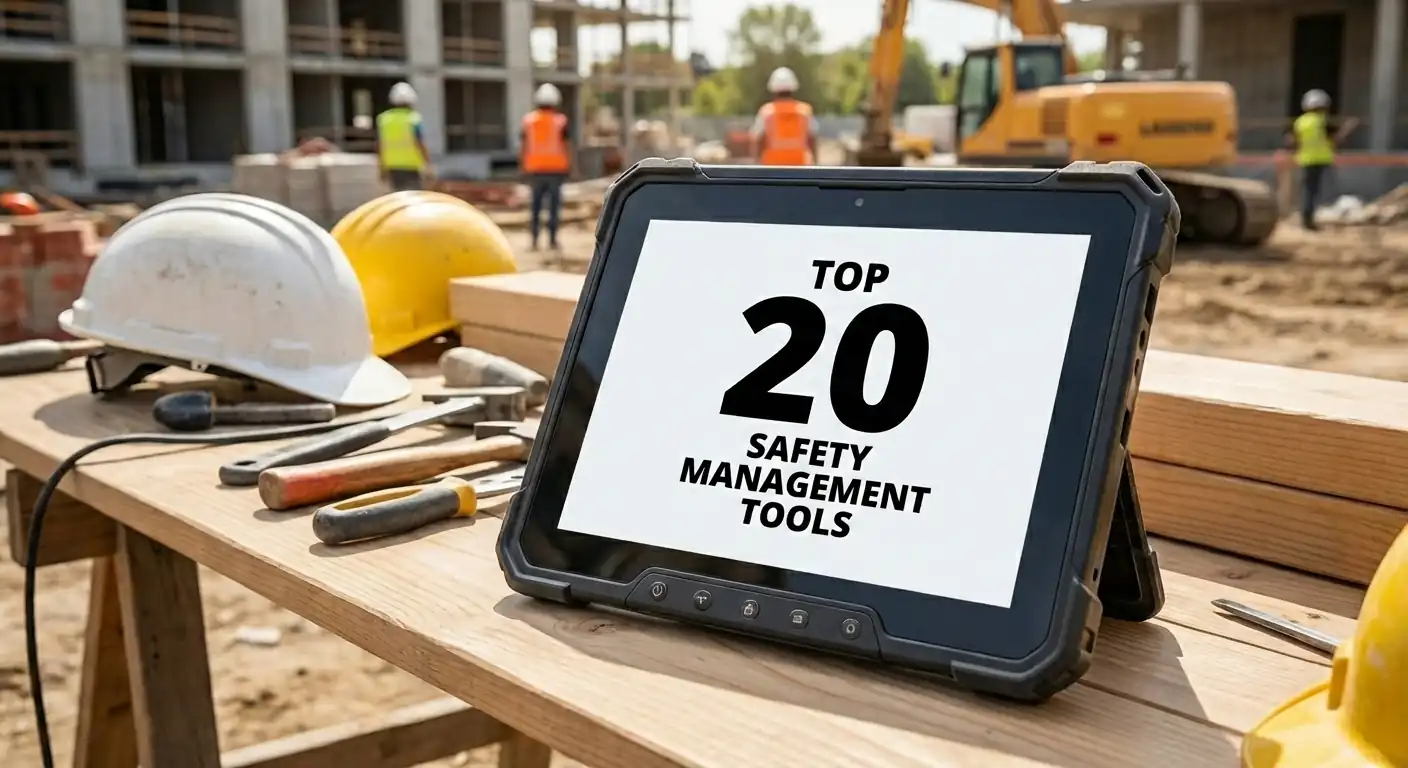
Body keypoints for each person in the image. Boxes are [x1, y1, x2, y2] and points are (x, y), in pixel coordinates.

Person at [1286, 89, 1357, 231]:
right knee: (1315, 191)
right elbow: (1336, 139)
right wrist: (1348, 129)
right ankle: (1308, 221)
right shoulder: (1321, 121)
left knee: (1308, 190)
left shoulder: (1300, 122)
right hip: (1321, 160)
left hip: (1304, 159)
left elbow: (1291, 141)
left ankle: (1306, 218)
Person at [520, 83, 571, 251]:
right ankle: (553, 241)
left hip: (535, 170)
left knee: (535, 206)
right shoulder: (560, 121)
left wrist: (522, 167)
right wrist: (572, 167)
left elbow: (523, 145)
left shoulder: (529, 121)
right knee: (554, 207)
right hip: (556, 170)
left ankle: (534, 240)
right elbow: (567, 145)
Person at [751, 67, 818, 166]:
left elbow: (758, 139)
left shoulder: (766, 112)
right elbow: (812, 139)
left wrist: (756, 164)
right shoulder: (804, 111)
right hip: (799, 168)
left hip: (772, 169)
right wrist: (816, 164)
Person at [376, 82, 430, 191]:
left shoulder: (384, 120)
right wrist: (428, 164)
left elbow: (380, 145)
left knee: (399, 198)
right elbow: (420, 143)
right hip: (412, 167)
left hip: (392, 167)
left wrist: (381, 168)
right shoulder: (413, 119)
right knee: (414, 199)